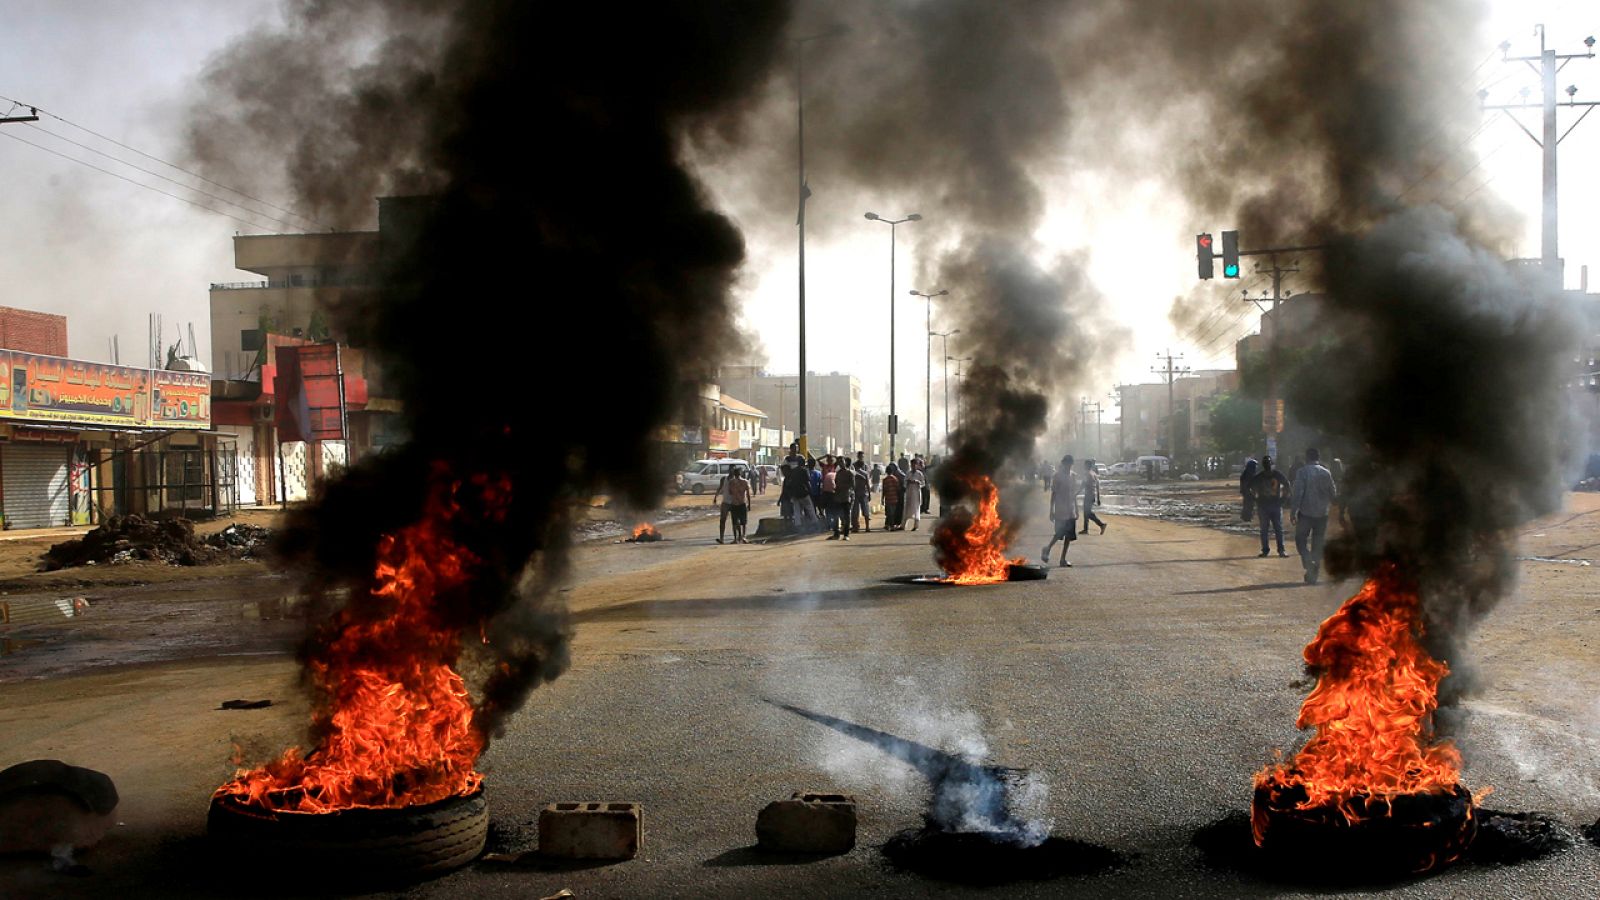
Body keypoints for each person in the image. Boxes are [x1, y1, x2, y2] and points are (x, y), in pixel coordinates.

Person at [1290, 447, 1337, 584]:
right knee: (1318, 541)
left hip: (1306, 513)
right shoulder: (1326, 472)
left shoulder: (1302, 472)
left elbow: (1298, 493)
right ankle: (1314, 566)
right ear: (1318, 457)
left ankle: (1307, 560)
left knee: (1300, 540)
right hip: (1322, 514)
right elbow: (1333, 493)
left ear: (1307, 457)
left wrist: (1293, 511)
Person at [1250, 455, 1291, 558]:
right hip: (1266, 506)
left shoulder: (1274, 475)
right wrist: (1256, 499)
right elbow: (1251, 489)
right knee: (1269, 529)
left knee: (1274, 529)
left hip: (1273, 505)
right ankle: (1268, 550)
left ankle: (1278, 550)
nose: (1267, 465)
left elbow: (1287, 485)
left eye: (1268, 463)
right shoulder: (1271, 475)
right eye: (1266, 463)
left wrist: (1283, 499)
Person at [1042, 454, 1079, 567]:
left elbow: (1074, 494)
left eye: (1070, 464)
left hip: (1070, 510)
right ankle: (1047, 548)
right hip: (1060, 509)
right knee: (1059, 533)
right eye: (1066, 464)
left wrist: (1077, 509)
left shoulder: (1073, 476)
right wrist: (1051, 511)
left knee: (1069, 536)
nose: (1068, 466)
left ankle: (1063, 559)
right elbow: (1053, 494)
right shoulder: (1057, 476)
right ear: (1063, 463)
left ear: (1072, 464)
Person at [722, 466, 753, 543]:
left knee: (735, 522)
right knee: (743, 522)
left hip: (734, 504)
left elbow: (730, 492)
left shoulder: (731, 483)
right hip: (742, 503)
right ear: (740, 473)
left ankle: (735, 539)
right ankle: (743, 537)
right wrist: (749, 504)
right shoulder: (745, 482)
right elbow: (748, 494)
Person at [1080, 458, 1106, 534]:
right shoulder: (1094, 474)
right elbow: (1097, 487)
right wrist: (1098, 498)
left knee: (1087, 513)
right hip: (1092, 496)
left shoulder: (1087, 474)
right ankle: (1086, 529)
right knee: (1086, 512)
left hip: (1088, 496)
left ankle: (1101, 524)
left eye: (1085, 465)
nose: (1084, 466)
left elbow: (1082, 485)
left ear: (1087, 465)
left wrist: (1075, 493)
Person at [832, 461, 855, 540]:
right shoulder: (838, 473)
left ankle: (846, 534)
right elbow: (836, 483)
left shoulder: (850, 473)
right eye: (840, 463)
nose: (841, 464)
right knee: (836, 516)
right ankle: (836, 534)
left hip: (846, 497)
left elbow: (853, 485)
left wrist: (844, 487)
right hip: (838, 498)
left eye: (842, 462)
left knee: (846, 517)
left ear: (845, 463)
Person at [904, 459, 926, 531]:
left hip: (916, 493)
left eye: (915, 465)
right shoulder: (908, 473)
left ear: (917, 465)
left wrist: (917, 482)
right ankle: (903, 525)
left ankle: (916, 526)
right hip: (909, 493)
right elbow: (904, 483)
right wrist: (908, 482)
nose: (913, 466)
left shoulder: (919, 474)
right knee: (907, 508)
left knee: (916, 509)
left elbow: (923, 483)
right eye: (912, 465)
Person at [882, 463, 904, 531]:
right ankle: (891, 526)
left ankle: (889, 525)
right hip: (894, 499)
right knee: (892, 513)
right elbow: (898, 489)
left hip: (888, 499)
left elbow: (884, 490)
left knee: (889, 513)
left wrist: (882, 498)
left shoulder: (885, 480)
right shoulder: (895, 479)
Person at [852, 459, 872, 532]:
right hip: (864, 493)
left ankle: (856, 527)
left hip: (856, 493)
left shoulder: (854, 473)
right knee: (866, 511)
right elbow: (868, 485)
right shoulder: (865, 473)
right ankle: (867, 527)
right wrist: (869, 494)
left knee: (855, 511)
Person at [1238, 457, 1258, 523]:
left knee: (1247, 504)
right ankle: (1247, 517)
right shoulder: (1250, 473)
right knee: (1249, 504)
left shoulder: (1246, 472)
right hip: (1248, 491)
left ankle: (1246, 517)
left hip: (1246, 491)